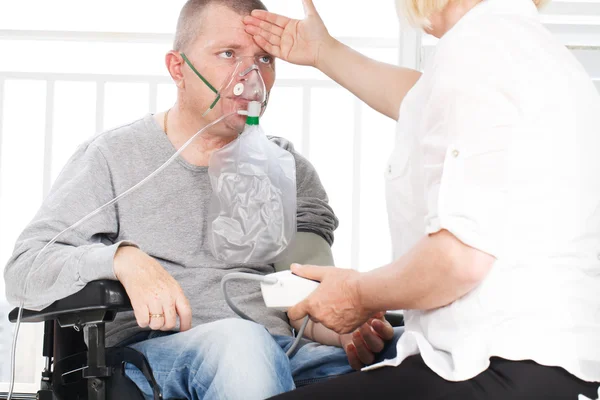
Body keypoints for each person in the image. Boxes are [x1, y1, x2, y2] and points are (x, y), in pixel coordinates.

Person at [3, 1, 398, 399]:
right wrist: (120, 259)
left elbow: (299, 289)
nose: (251, 76)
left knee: (415, 351)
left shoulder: (287, 169)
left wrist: (343, 327)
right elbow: (24, 269)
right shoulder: (113, 158)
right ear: (178, 69)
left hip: (284, 352)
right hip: (161, 356)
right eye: (228, 54)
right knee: (243, 344)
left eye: (264, 58)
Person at [243, 0, 600, 398]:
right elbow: (423, 100)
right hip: (548, 367)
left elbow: (459, 259)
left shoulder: (478, 51)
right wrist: (325, 52)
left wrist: (356, 294)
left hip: (493, 368)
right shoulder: (527, 50)